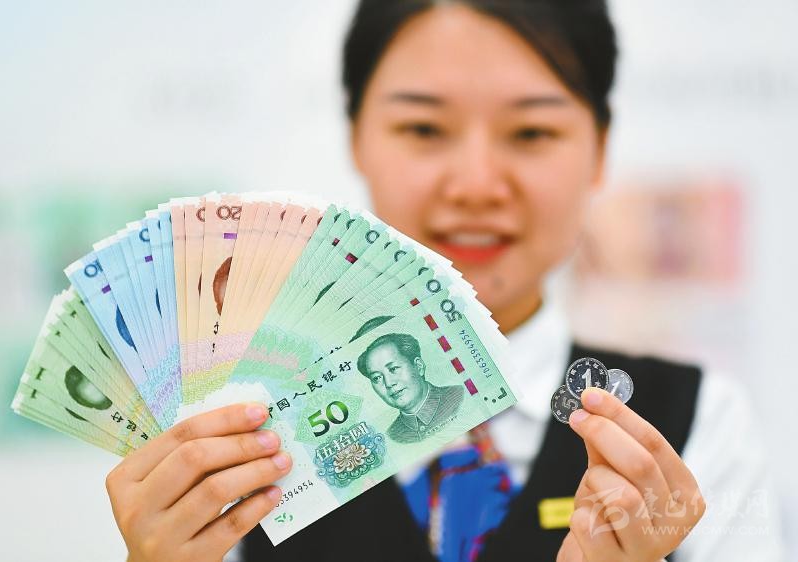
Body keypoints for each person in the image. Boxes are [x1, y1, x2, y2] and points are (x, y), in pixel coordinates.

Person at [105, 1, 784, 562]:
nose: (476, 185)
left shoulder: (697, 423)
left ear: (600, 148)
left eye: (531, 132)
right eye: (424, 127)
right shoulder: (232, 435)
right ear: (357, 137)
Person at [357, 332, 464, 443]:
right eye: (377, 378)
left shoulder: (460, 397)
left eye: (393, 369)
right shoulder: (392, 436)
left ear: (418, 366)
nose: (388, 383)